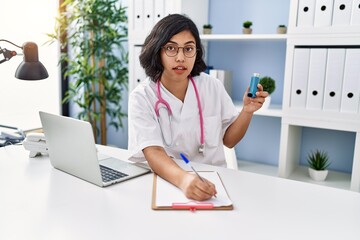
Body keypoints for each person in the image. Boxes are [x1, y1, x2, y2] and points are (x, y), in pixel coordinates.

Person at [128, 14, 268, 201]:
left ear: (197, 52)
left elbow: (229, 141)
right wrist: (185, 180)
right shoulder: (142, 96)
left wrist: (247, 111)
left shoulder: (212, 86)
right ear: (157, 51)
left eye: (188, 49)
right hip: (169, 180)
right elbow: (153, 152)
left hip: (214, 181)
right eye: (171, 48)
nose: (180, 58)